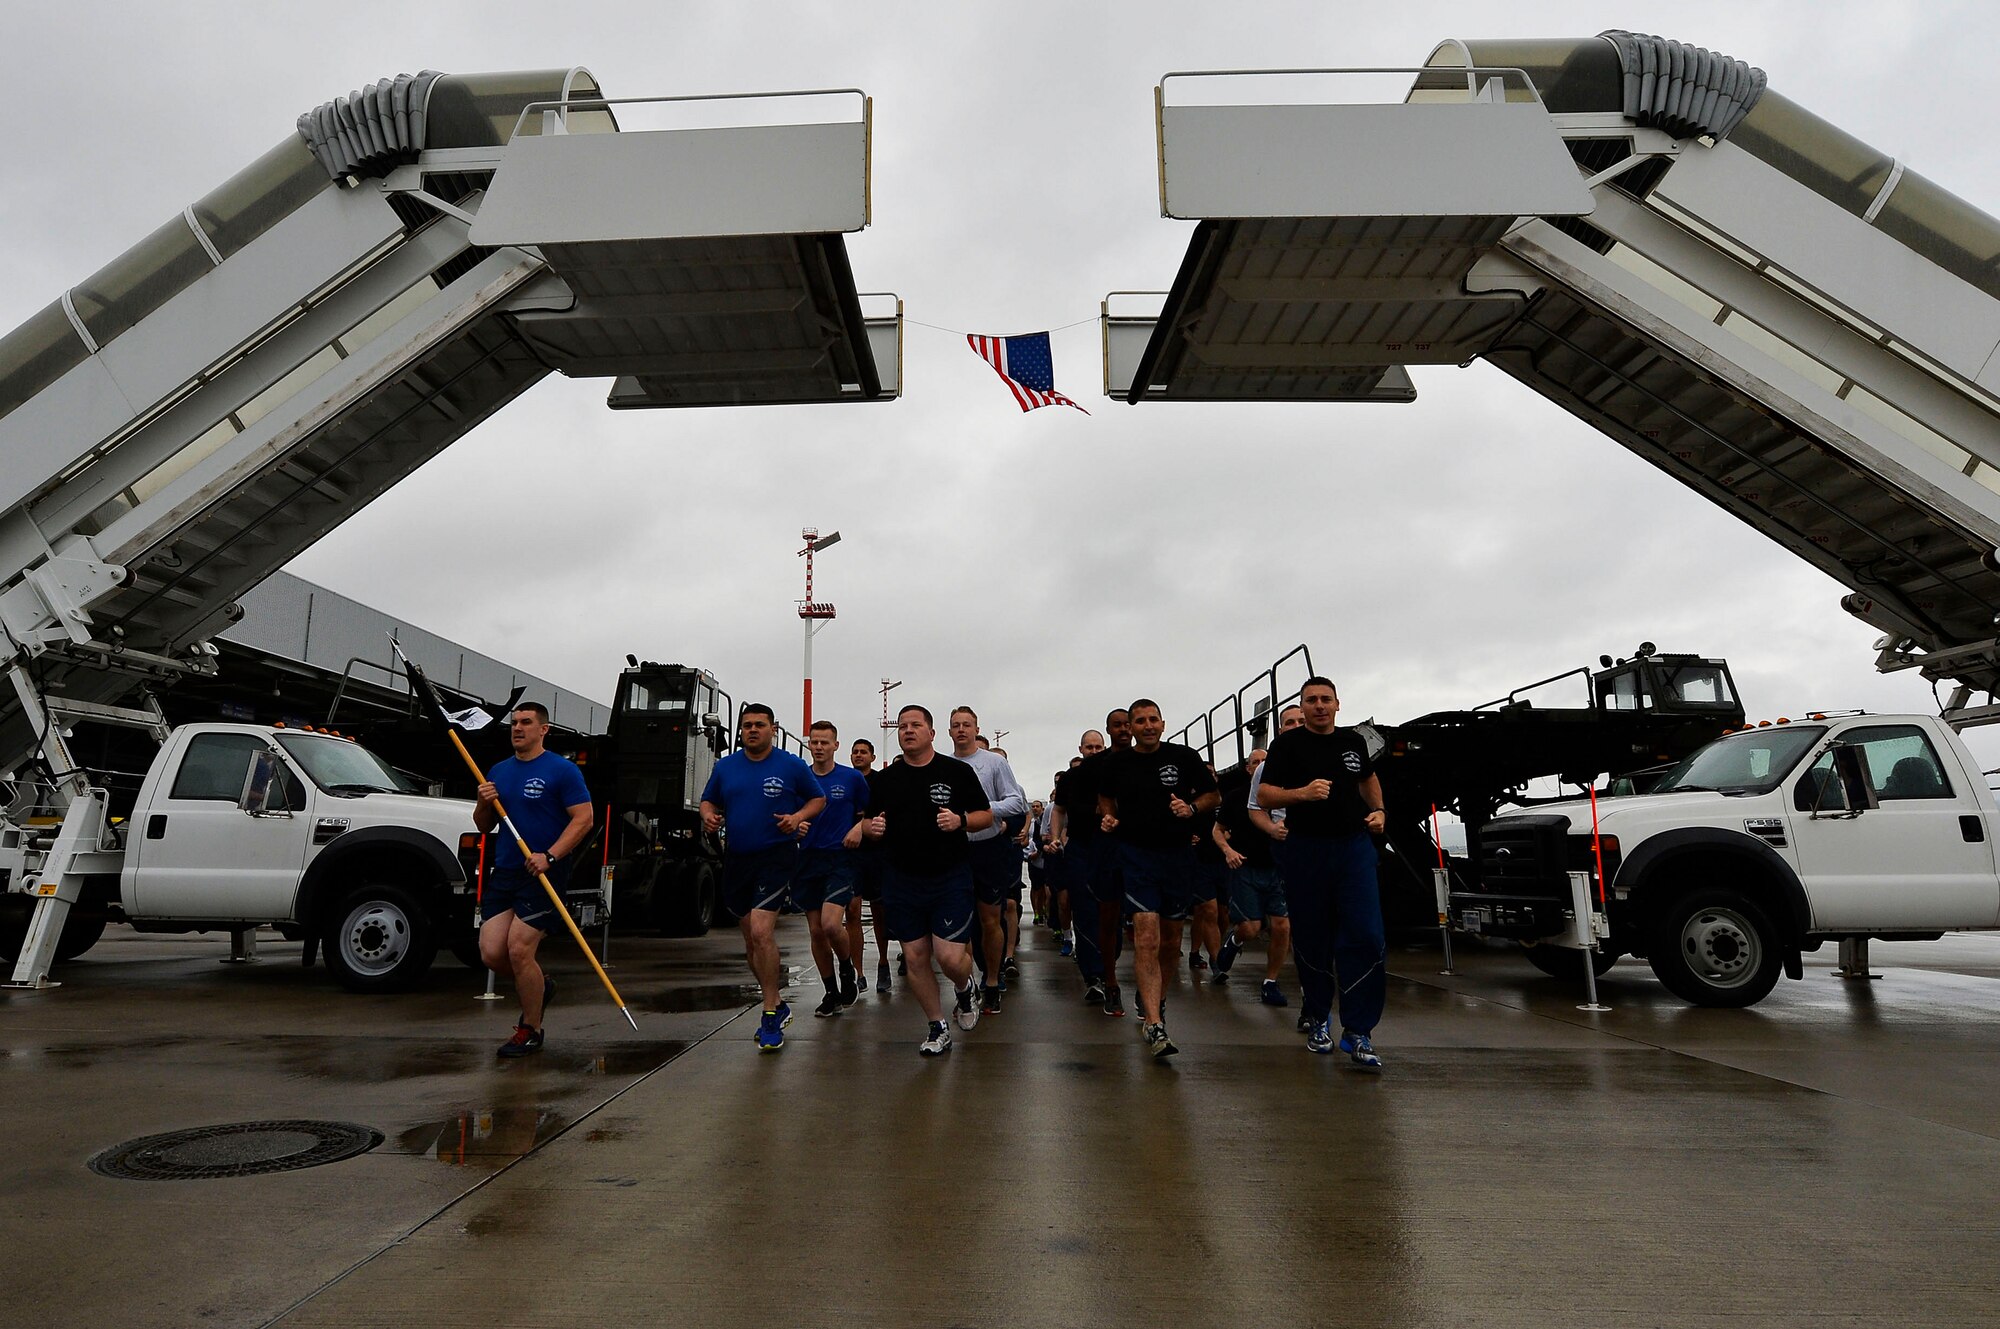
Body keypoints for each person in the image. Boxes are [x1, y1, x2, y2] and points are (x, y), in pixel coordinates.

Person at [1255, 677, 1387, 1069]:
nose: (1318, 706)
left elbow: (1367, 779)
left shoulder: (1353, 742)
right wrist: (1301, 794)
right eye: (1311, 700)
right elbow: (1265, 796)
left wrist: (1379, 811)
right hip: (1306, 850)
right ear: (1303, 705)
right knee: (1312, 937)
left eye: (1325, 700)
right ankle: (1317, 1019)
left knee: (1365, 934)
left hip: (1352, 847)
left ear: (1337, 704)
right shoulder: (1287, 746)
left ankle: (1359, 1032)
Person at [861, 705, 992, 1056]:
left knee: (950, 958)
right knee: (915, 956)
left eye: (916, 725)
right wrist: (871, 829)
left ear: (932, 733)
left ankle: (965, 987)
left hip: (948, 877)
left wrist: (961, 820)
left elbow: (986, 815)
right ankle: (937, 1026)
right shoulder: (886, 780)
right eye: (903, 726)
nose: (907, 730)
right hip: (901, 879)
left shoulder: (957, 772)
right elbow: (866, 822)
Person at [699, 704, 826, 1052]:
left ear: (773, 728)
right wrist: (709, 817)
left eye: (759, 725)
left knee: (761, 930)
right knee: (751, 942)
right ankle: (778, 1001)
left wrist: (797, 815)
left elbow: (818, 798)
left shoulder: (790, 765)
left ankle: (770, 1012)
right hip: (738, 858)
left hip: (777, 855)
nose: (752, 730)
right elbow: (708, 801)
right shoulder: (726, 767)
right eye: (747, 726)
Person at [1098, 699, 1218, 1059]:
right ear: (1130, 728)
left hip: (1177, 857)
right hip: (1136, 857)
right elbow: (1105, 797)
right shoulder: (1117, 762)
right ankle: (1154, 1022)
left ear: (1163, 724)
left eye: (1153, 720)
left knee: (1170, 942)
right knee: (1146, 936)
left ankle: (1156, 999)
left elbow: (1213, 795)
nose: (1147, 726)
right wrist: (1109, 817)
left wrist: (1192, 808)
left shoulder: (1184, 757)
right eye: (1140, 721)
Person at [475, 703, 595, 1059]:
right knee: (492, 953)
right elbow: (484, 824)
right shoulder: (499, 770)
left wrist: (551, 855)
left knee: (518, 949)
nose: (517, 728)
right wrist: (484, 802)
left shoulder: (563, 770)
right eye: (514, 723)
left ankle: (531, 1029)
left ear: (543, 729)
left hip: (544, 872)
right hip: (506, 871)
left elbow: (583, 819)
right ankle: (540, 988)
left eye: (526, 723)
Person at [948, 706, 1028, 1014]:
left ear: (976, 727)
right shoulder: (943, 765)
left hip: (988, 847)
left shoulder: (993, 763)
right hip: (955, 851)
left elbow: (1016, 802)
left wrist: (982, 812)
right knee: (961, 923)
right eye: (955, 725)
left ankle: (992, 981)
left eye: (966, 724)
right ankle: (966, 985)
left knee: (989, 919)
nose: (961, 730)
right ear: (948, 731)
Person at [795, 720, 869, 1016]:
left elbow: (870, 813)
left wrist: (859, 828)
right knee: (815, 931)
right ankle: (830, 992)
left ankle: (847, 966)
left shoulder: (851, 779)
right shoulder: (801, 779)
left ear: (836, 745)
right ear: (809, 745)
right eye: (815, 742)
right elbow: (791, 815)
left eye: (825, 742)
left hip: (840, 857)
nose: (819, 747)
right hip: (808, 858)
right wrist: (796, 827)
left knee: (830, 924)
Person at [1048, 734, 1107, 1001]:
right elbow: (1059, 809)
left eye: (1098, 747)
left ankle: (1108, 968)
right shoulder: (1071, 778)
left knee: (1109, 911)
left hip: (1110, 848)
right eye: (1089, 747)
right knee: (1083, 910)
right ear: (1080, 750)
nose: (1093, 751)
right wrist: (1056, 837)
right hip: (1080, 848)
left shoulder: (1115, 772)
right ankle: (1092, 976)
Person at [848, 737, 893, 994]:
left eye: (863, 752)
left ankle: (883, 962)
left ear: (872, 757)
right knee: (852, 911)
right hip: (851, 854)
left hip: (876, 853)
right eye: (855, 752)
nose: (858, 756)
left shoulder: (880, 782)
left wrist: (866, 818)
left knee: (879, 911)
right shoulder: (844, 780)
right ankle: (858, 972)